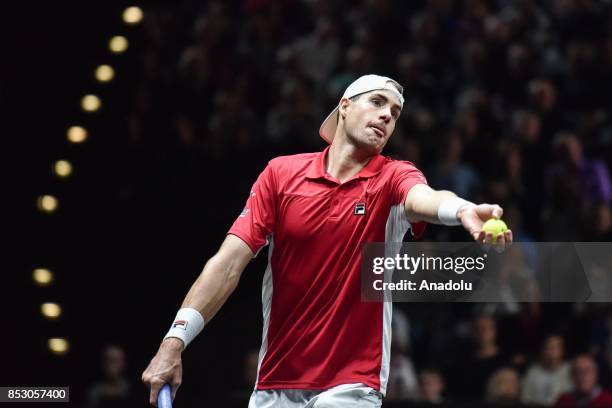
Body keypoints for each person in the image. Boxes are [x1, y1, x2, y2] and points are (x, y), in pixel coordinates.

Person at [141, 74, 512, 407]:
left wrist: (461, 209)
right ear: (345, 107)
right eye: (378, 102)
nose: (388, 116)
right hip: (275, 382)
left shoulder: (393, 177)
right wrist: (172, 344)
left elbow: (425, 198)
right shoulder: (281, 175)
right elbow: (227, 264)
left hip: (352, 385)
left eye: (396, 113)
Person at [521, 334, 572, 405]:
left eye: (556, 347)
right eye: (549, 347)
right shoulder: (533, 372)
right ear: (543, 350)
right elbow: (525, 399)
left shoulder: (570, 370)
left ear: (562, 350)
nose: (552, 351)